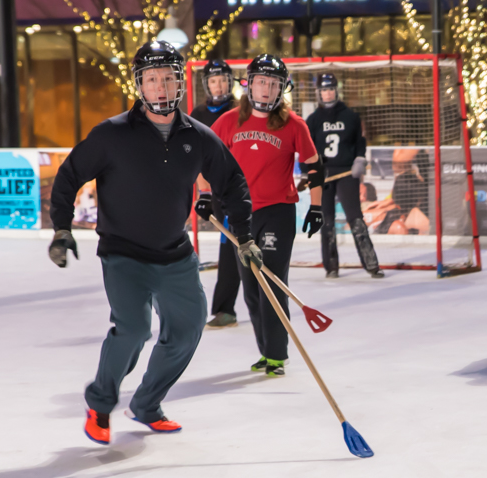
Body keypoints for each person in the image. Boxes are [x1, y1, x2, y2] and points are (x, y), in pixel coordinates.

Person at [48, 40, 257, 445]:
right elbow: (69, 175)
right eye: (151, 79)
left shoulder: (198, 137)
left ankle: (146, 404)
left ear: (179, 82)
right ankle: (100, 401)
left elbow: (232, 182)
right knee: (133, 329)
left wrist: (245, 237)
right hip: (123, 253)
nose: (160, 87)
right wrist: (62, 228)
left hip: (175, 254)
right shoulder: (113, 135)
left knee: (189, 327)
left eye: (167, 78)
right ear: (139, 86)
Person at [210, 54, 323, 376]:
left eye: (274, 84)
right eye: (262, 82)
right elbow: (205, 158)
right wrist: (205, 196)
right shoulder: (230, 121)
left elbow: (314, 167)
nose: (266, 89)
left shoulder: (294, 124)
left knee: (271, 282)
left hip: (277, 212)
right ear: (249, 84)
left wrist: (316, 207)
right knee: (250, 287)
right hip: (241, 215)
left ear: (281, 89)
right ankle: (266, 351)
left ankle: (276, 355)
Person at [304, 72, 383, 278]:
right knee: (326, 221)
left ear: (336, 91)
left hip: (347, 173)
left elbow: (359, 143)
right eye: (324, 90)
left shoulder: (351, 116)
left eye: (331, 89)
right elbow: (306, 149)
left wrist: (359, 159)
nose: (328, 94)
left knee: (355, 218)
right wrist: (310, 171)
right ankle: (331, 267)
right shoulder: (312, 120)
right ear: (318, 93)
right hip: (325, 175)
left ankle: (371, 264)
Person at [190, 58, 243, 329]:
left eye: (223, 79)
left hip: (243, 187)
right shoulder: (197, 114)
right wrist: (205, 192)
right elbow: (195, 156)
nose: (218, 85)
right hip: (218, 191)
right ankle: (225, 309)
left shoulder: (240, 109)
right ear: (206, 84)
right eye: (213, 80)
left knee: (250, 246)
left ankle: (267, 303)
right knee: (229, 246)